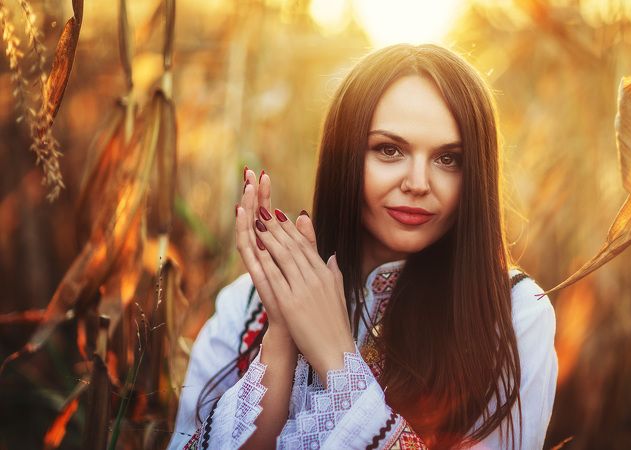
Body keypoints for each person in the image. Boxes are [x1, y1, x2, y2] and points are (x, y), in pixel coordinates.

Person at [167, 43, 557, 450]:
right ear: (345, 156)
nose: (419, 182)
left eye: (448, 159)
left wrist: (338, 360)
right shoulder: (244, 306)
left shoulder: (514, 315)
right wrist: (281, 335)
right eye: (389, 150)